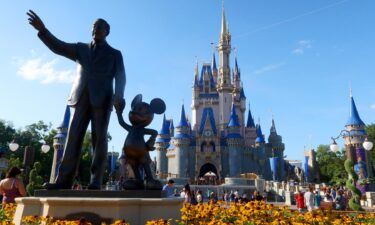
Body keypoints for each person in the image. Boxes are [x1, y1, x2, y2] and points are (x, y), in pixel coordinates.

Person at [27, 10, 126, 190]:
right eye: (94, 26)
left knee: (100, 140)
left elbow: (121, 76)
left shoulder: (115, 54)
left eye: (100, 27)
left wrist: (118, 95)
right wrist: (43, 31)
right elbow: (59, 46)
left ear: (107, 31)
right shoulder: (81, 49)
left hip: (103, 101)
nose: (96, 29)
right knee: (72, 137)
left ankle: (96, 180)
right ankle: (63, 180)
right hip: (80, 98)